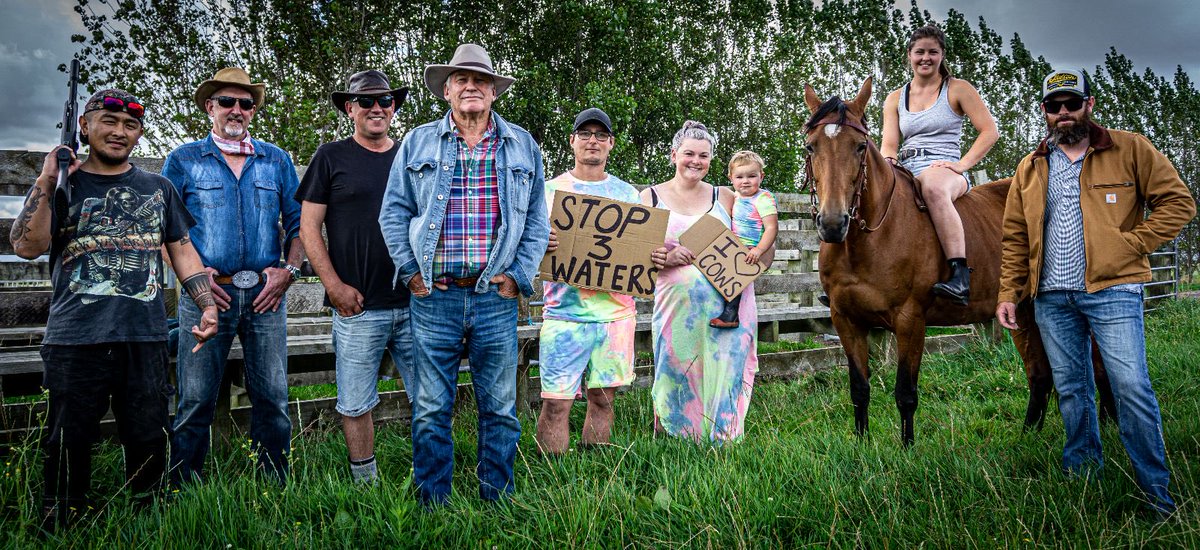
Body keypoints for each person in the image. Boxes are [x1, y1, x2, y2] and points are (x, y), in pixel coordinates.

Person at [9, 89, 218, 529]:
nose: (119, 132)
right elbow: (27, 246)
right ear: (84, 126)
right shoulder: (64, 185)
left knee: (147, 432)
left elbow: (181, 250)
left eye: (130, 125)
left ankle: (147, 513)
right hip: (75, 335)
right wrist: (47, 180)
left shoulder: (157, 188)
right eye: (108, 121)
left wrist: (205, 305)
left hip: (143, 334)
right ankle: (61, 520)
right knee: (68, 437)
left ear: (139, 134)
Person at [996, 69, 1196, 518]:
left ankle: (1156, 495)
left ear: (1089, 105)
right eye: (1053, 106)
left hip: (1113, 292)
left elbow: (1178, 203)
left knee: (1130, 387)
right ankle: (1083, 481)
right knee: (1072, 389)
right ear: (1044, 112)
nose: (1063, 113)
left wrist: (1129, 244)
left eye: (1071, 103)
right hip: (1050, 298)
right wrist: (1009, 292)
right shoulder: (1030, 166)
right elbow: (1013, 237)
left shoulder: (1130, 148)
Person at [378, 43, 549, 504]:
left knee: (500, 407)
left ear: (493, 91)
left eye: (480, 80)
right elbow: (393, 213)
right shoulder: (418, 142)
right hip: (435, 297)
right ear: (447, 91)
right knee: (432, 408)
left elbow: (536, 222)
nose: (471, 86)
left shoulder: (521, 145)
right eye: (461, 80)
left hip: (495, 296)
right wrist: (411, 271)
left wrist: (517, 276)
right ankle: (433, 501)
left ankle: (498, 497)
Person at [163, 67, 305, 486]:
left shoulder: (276, 160)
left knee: (274, 397)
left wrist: (289, 271)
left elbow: (299, 225)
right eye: (227, 101)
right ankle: (183, 488)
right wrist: (193, 276)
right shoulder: (184, 159)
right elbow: (167, 229)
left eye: (246, 103)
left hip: (265, 296)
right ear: (210, 107)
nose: (237, 110)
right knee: (194, 398)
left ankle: (274, 485)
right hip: (206, 297)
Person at [297, 70, 413, 484]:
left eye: (385, 100)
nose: (376, 108)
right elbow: (308, 228)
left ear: (394, 107)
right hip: (357, 305)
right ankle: (366, 482)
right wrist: (334, 286)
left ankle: (429, 473)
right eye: (366, 101)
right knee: (355, 401)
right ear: (350, 109)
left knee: (430, 398)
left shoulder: (412, 156)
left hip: (416, 301)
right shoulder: (330, 157)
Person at [643, 121, 771, 442]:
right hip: (676, 313)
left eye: (704, 155)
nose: (695, 161)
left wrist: (754, 257)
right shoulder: (650, 196)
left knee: (725, 375)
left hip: (728, 314)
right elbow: (634, 257)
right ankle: (678, 441)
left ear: (712, 159)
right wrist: (662, 258)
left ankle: (724, 442)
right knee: (677, 373)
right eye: (688, 153)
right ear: (674, 155)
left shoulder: (726, 196)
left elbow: (762, 246)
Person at [535, 107, 640, 455]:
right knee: (555, 402)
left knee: (603, 399)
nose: (592, 141)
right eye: (585, 134)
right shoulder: (548, 190)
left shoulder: (628, 195)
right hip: (564, 315)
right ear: (572, 141)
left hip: (616, 316)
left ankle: (595, 472)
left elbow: (640, 250)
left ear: (611, 144)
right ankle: (552, 475)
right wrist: (541, 244)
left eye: (600, 135)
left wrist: (650, 257)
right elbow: (525, 244)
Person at [880, 24, 998, 305]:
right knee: (867, 192)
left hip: (942, 169)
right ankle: (851, 280)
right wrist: (887, 167)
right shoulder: (895, 98)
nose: (926, 58)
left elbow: (989, 131)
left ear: (942, 55)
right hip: (906, 168)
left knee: (932, 188)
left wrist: (962, 165)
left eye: (933, 52)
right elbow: (889, 144)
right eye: (919, 52)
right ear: (909, 55)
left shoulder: (957, 89)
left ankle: (960, 275)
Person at [710, 150, 778, 328]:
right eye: (739, 177)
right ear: (731, 178)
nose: (745, 181)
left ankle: (730, 316)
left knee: (735, 276)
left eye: (751, 176)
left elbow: (771, 228)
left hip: (751, 248)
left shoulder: (763, 199)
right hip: (733, 246)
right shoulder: (735, 197)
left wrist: (759, 250)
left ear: (761, 176)